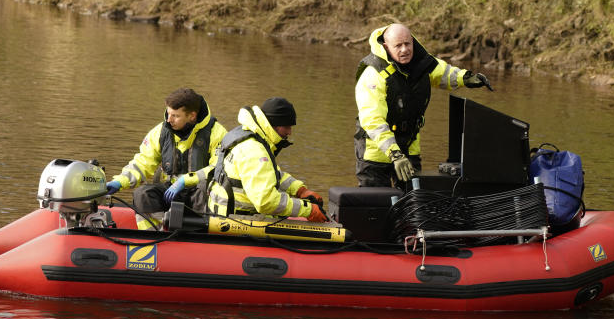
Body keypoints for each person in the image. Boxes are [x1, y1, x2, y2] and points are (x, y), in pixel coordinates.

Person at [354, 23, 492, 188]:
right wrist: (395, 154)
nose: (404, 49)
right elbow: (373, 120)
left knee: (415, 202)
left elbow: (443, 73)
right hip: (376, 153)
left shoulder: (422, 62)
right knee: (375, 206)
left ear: (412, 41)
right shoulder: (373, 75)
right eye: (398, 45)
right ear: (386, 47)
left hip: (409, 146)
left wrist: (467, 78)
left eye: (407, 43)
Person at [105, 88, 227, 229]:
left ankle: (200, 240)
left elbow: (218, 168)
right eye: (168, 114)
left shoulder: (217, 133)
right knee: (142, 194)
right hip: (171, 192)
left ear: (192, 116)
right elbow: (143, 163)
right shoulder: (160, 132)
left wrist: (185, 181)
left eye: (175, 116)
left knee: (209, 199)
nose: (169, 120)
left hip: (201, 193)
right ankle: (155, 236)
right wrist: (119, 182)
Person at [207, 97, 328, 222]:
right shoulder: (254, 150)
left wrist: (300, 190)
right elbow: (266, 201)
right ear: (273, 123)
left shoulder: (249, 136)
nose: (289, 132)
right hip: (236, 221)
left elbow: (269, 174)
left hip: (226, 214)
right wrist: (308, 210)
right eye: (286, 126)